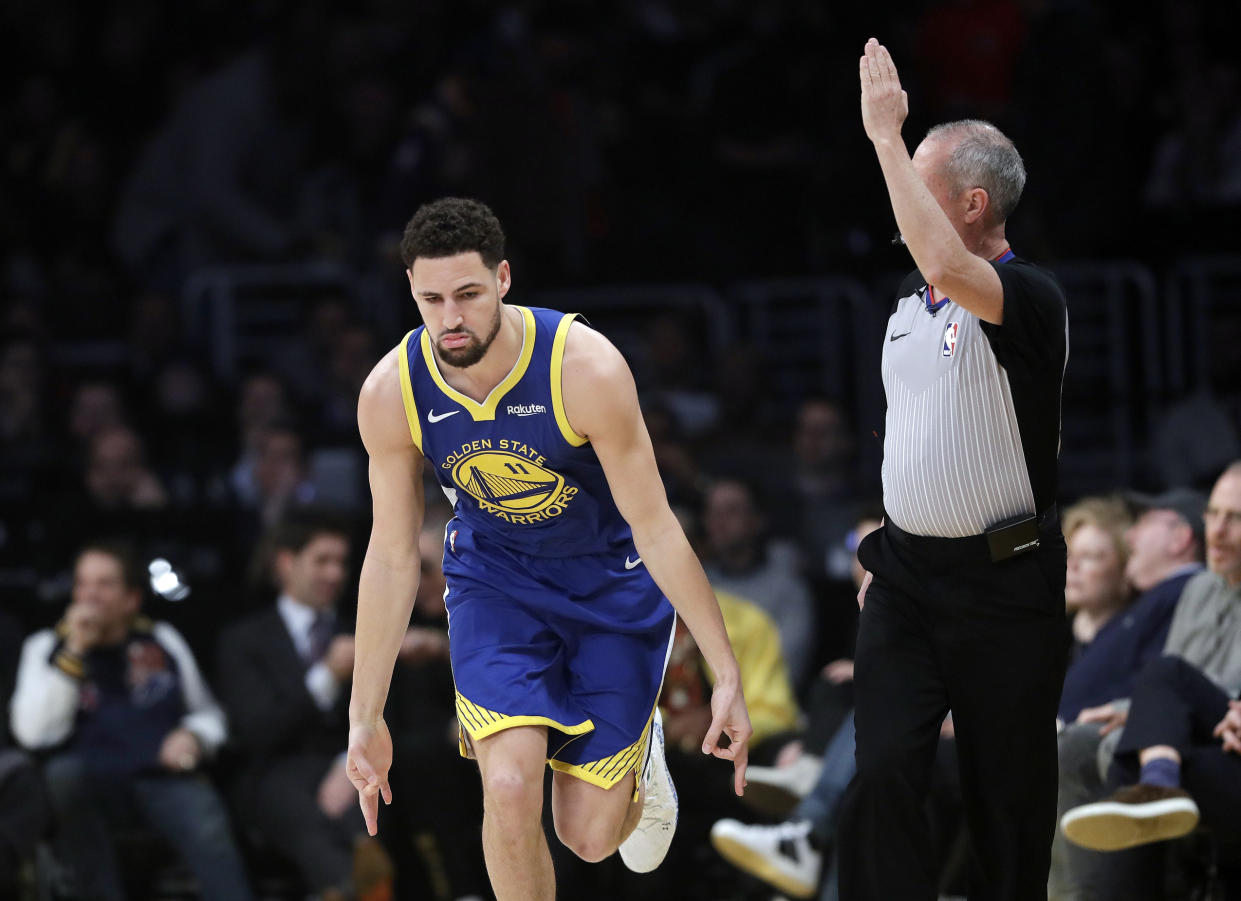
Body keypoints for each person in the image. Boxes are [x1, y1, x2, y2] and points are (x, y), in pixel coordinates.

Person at [345, 197, 752, 901]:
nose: (450, 318)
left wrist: (725, 671)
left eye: (468, 294)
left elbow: (656, 524)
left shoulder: (583, 367)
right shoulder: (391, 390)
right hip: (494, 582)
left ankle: (640, 753)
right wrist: (364, 714)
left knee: (589, 839)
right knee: (506, 787)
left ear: (503, 278)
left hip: (608, 583)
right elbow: (388, 555)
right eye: (430, 298)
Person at [841, 39, 1070, 901]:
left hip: (1006, 582)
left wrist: (883, 136)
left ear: (971, 205)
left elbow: (945, 262)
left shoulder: (1028, 298)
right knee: (883, 772)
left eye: (918, 184)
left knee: (1005, 802)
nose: (899, 203)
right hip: (906, 579)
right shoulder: (906, 308)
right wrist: (897, 541)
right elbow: (919, 436)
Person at [9, 541, 254, 901]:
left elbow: (208, 713)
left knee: (205, 812)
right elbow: (32, 734)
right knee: (62, 779)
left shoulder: (162, 639)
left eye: (105, 584)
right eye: (83, 584)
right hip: (87, 782)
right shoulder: (46, 647)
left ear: (131, 599)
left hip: (159, 774)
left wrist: (193, 736)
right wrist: (75, 650)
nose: (90, 595)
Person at [1058, 462, 1241, 899]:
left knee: (1164, 674)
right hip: (1199, 731)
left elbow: (1181, 683)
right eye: (1213, 514)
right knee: (1121, 752)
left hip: (1226, 733)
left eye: (1234, 518)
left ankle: (1157, 777)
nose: (1215, 530)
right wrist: (1132, 713)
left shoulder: (1184, 586)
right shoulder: (1203, 590)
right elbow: (1177, 693)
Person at [216, 512, 394, 901]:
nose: (335, 573)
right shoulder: (244, 639)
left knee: (365, 806)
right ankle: (351, 884)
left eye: (342, 562)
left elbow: (386, 716)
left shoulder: (362, 632)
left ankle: (345, 885)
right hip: (272, 772)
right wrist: (327, 677)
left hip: (346, 765)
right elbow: (257, 730)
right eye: (322, 560)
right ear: (285, 563)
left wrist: (343, 764)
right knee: (305, 814)